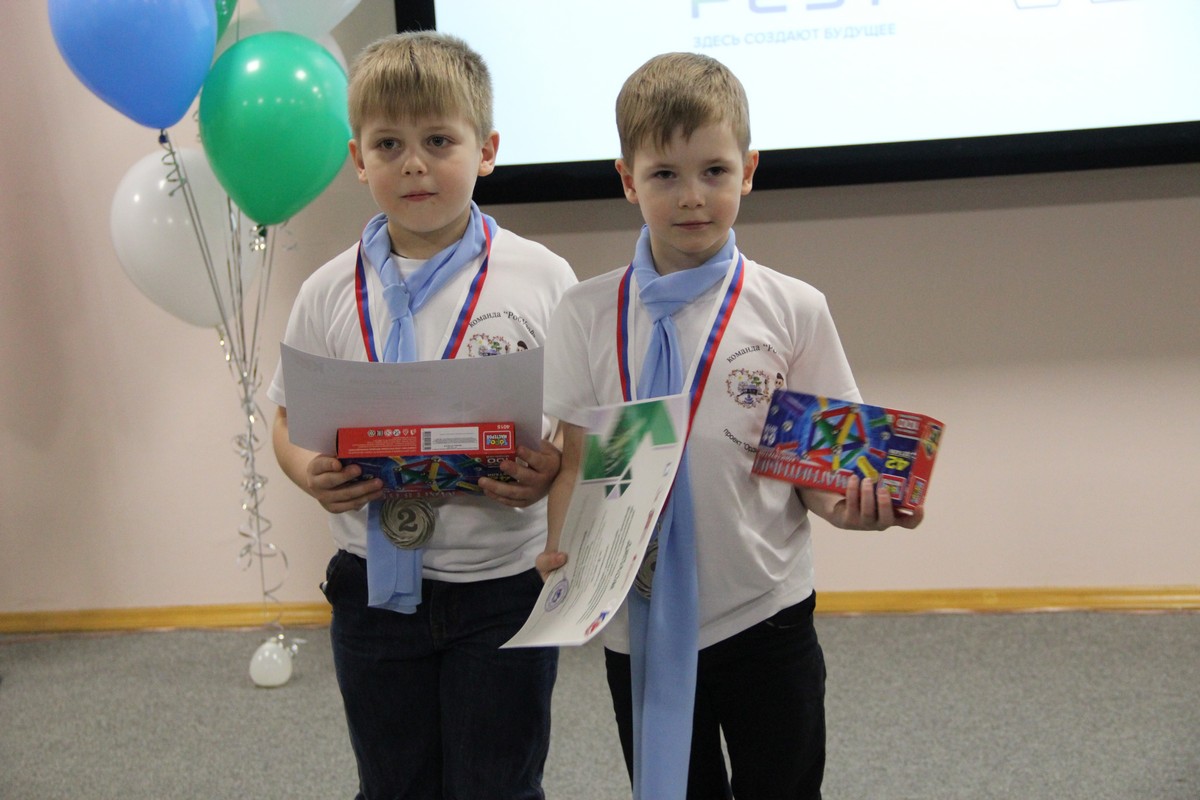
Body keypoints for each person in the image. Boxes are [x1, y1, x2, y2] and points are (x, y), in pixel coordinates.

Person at [539, 52, 923, 800]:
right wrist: (563, 552)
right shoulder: (585, 313)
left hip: (764, 613)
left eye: (714, 171)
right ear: (627, 180)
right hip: (638, 619)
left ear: (748, 171)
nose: (692, 196)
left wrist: (853, 508)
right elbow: (577, 455)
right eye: (664, 174)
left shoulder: (792, 308)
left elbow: (818, 470)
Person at [267, 32, 577, 800]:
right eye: (389, 144)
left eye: (439, 140)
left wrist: (551, 468)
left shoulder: (542, 277)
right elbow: (285, 420)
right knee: (392, 784)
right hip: (371, 589)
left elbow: (577, 422)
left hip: (501, 585)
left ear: (487, 150)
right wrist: (307, 471)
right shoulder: (327, 290)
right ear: (357, 159)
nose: (414, 163)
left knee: (498, 784)